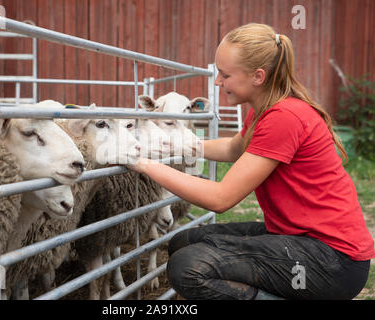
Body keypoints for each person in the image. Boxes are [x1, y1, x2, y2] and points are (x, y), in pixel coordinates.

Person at [127, 23, 374, 300]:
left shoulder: (284, 117)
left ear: (258, 76)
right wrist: (172, 145)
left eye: (225, 75)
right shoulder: (264, 110)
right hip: (297, 238)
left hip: (333, 259)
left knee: (189, 267)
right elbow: (234, 148)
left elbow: (221, 198)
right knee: (184, 241)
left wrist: (142, 163)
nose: (218, 82)